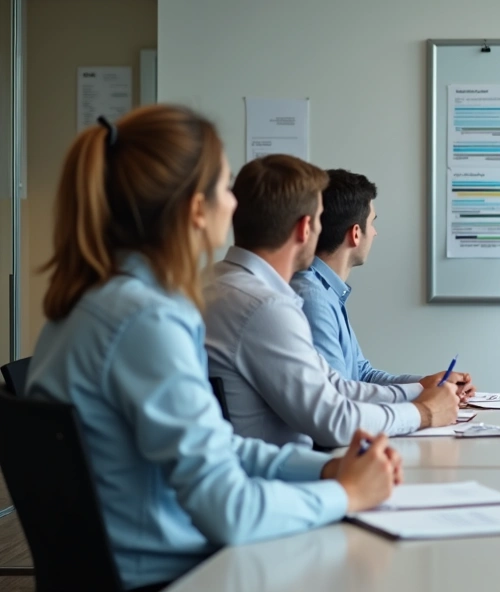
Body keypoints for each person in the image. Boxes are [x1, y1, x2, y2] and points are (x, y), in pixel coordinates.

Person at [24, 106, 401, 591]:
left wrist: (327, 467)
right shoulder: (147, 319)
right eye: (226, 187)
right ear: (197, 210)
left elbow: (218, 448)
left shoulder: (96, 302)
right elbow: (229, 510)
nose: (234, 204)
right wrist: (344, 494)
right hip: (175, 575)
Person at [204, 155, 459, 448]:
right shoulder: (265, 307)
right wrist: (424, 412)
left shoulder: (213, 283)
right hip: (285, 477)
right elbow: (333, 420)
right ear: (305, 228)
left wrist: (420, 391)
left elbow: (333, 385)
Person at [291, 169, 475, 399]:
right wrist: (424, 399)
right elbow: (337, 396)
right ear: (355, 234)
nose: (375, 233)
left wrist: (428, 385)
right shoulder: (312, 298)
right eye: (372, 222)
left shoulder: (327, 291)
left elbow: (363, 375)